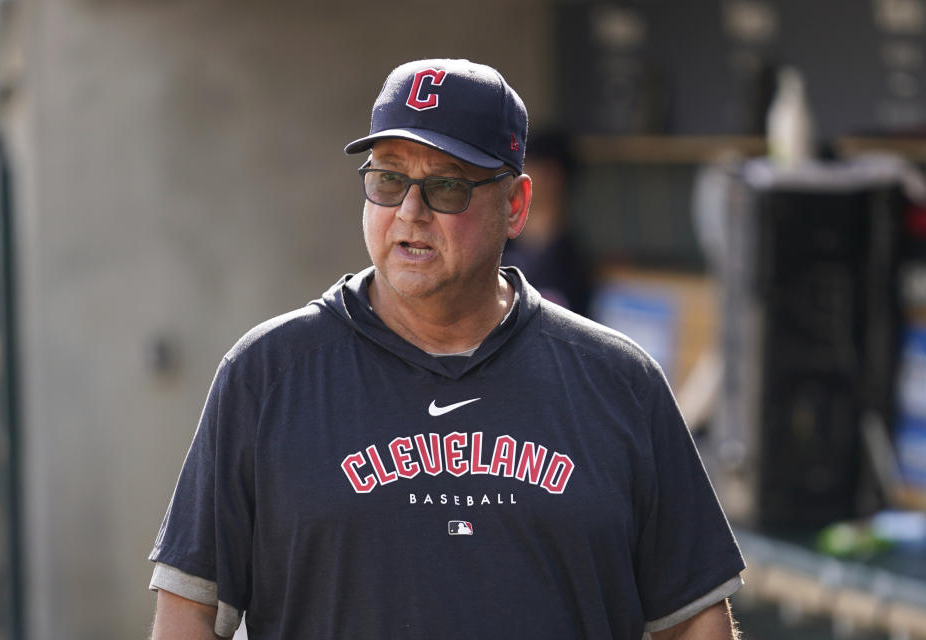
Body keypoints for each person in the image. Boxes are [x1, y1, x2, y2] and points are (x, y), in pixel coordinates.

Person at [148, 58, 745, 640]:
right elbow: (190, 611)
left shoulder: (619, 382)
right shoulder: (267, 374)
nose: (410, 212)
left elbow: (693, 620)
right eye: (388, 180)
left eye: (446, 187)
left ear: (514, 204)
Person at [501, 129, 593, 316]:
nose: (515, 176)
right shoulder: (497, 247)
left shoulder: (574, 264)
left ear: (553, 176)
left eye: (526, 165)